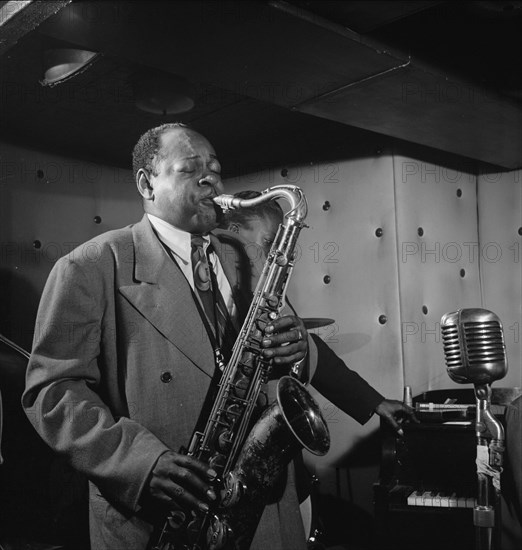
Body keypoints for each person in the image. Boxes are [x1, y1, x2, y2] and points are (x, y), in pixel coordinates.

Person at [22, 123, 321, 550]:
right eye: (190, 169)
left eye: (215, 169)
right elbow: (52, 392)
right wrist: (141, 463)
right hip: (164, 521)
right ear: (146, 183)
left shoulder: (245, 255)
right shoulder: (89, 266)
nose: (211, 179)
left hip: (267, 513)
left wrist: (297, 349)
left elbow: (281, 351)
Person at [219, 190, 416, 436]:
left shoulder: (259, 284)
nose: (275, 255)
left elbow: (309, 348)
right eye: (270, 242)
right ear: (234, 232)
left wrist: (375, 402)